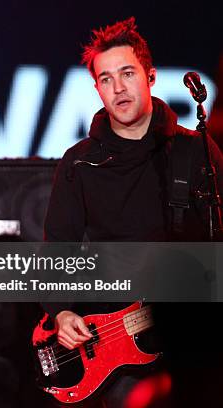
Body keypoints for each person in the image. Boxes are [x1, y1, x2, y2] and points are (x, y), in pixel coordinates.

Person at [43, 17, 223, 407]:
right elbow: (58, 247)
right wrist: (60, 312)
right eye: (105, 79)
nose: (118, 87)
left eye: (127, 73)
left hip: (193, 341)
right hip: (118, 347)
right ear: (96, 89)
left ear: (151, 77)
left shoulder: (196, 152)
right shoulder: (79, 164)